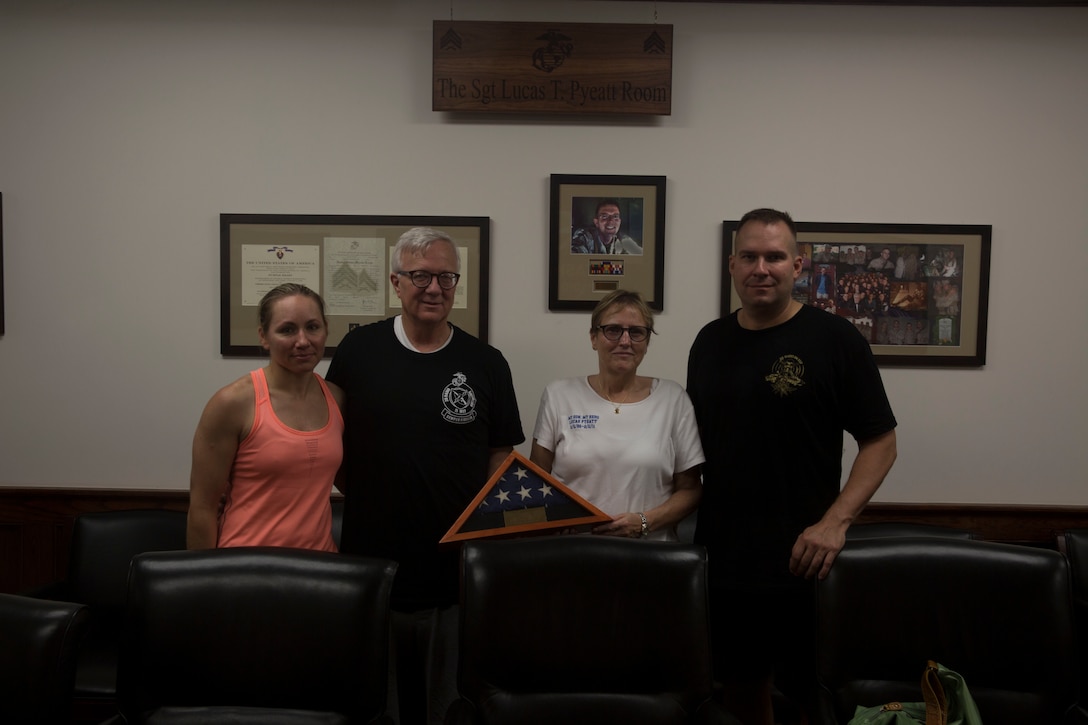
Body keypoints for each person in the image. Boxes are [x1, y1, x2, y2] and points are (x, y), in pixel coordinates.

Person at [686, 208, 897, 725]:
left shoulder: (835, 340)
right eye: (751, 257)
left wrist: (836, 522)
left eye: (775, 257)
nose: (762, 268)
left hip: (807, 557)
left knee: (811, 695)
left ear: (798, 265)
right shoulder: (708, 342)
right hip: (725, 557)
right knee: (740, 688)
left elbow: (881, 442)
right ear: (732, 265)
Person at [325, 227, 524, 725]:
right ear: (396, 281)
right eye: (420, 275)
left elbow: (500, 457)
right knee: (377, 711)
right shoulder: (358, 352)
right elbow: (333, 442)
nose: (434, 287)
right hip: (373, 572)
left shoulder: (486, 363)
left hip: (453, 579)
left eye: (446, 276)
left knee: (448, 711)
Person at [530, 289, 703, 541]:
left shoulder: (673, 399)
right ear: (593, 338)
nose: (625, 341)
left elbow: (690, 490)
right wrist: (554, 519)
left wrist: (644, 522)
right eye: (613, 330)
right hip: (573, 552)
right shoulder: (559, 395)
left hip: (650, 555)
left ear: (646, 342)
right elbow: (535, 481)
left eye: (636, 332)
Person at [187, 283, 345, 551]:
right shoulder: (232, 403)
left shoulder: (337, 398)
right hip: (245, 568)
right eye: (287, 330)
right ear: (263, 336)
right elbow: (202, 509)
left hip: (319, 570)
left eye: (312, 327)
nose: (303, 341)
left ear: (326, 330)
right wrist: (204, 583)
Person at [570, 199, 643, 254]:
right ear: (596, 222)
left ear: (619, 222)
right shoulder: (585, 237)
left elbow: (643, 257)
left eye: (615, 216)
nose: (611, 221)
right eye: (604, 216)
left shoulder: (623, 240)